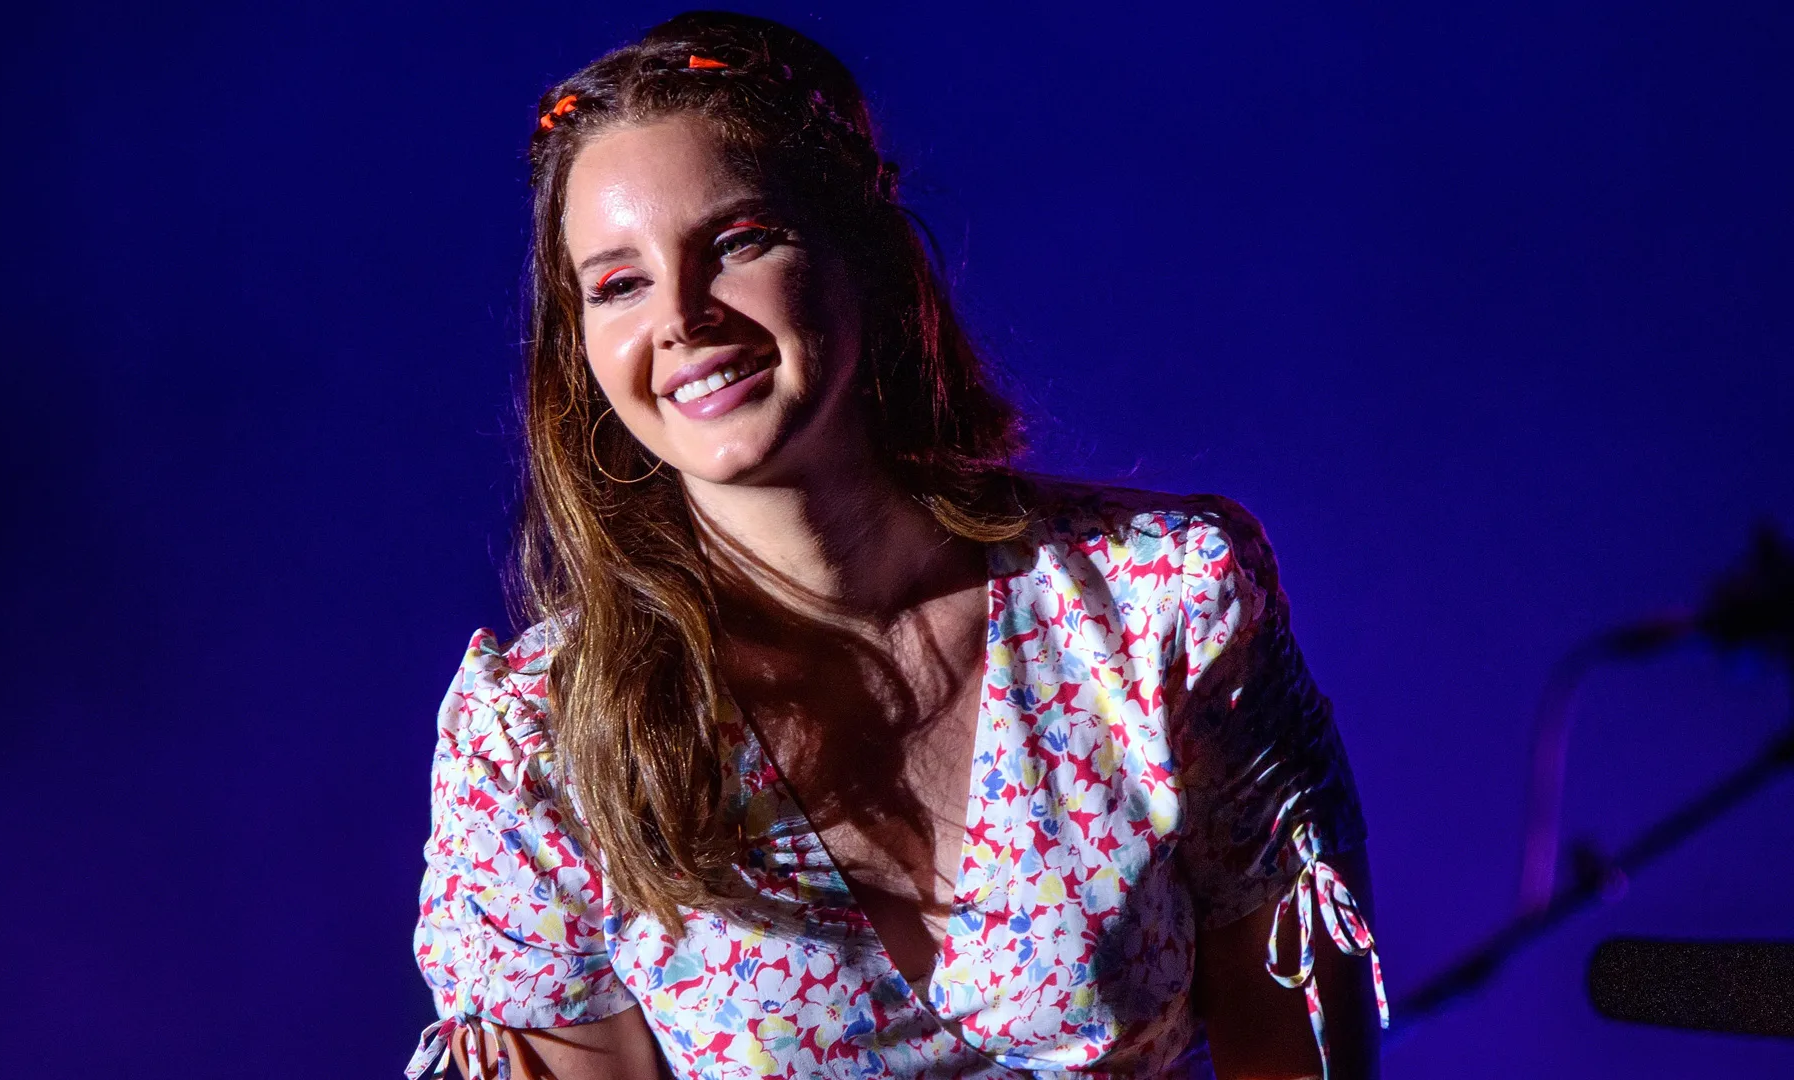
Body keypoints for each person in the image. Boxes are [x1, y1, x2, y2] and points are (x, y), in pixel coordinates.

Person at [409, 11, 1385, 1079]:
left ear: (861, 254)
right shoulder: (539, 741)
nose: (682, 317)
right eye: (619, 283)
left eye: (738, 242)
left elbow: (1296, 1050)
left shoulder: (1163, 603)